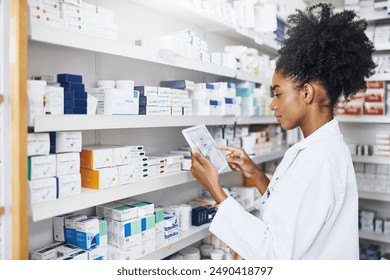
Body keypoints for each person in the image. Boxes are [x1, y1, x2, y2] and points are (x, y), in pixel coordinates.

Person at [190, 3, 375, 260]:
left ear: (307, 93)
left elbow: (275, 253)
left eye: (278, 93)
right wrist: (254, 173)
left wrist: (215, 189)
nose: (272, 104)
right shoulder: (314, 148)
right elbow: (290, 212)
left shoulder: (318, 160)